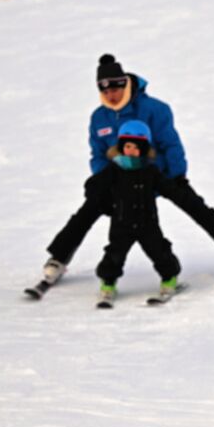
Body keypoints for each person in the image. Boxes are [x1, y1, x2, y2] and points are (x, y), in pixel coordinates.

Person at [39, 54, 214, 286]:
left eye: (116, 90)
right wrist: (103, 183)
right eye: (105, 91)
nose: (111, 96)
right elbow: (98, 154)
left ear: (125, 84)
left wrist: (178, 176)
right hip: (121, 180)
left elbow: (170, 144)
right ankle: (59, 258)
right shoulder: (99, 118)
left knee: (195, 206)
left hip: (157, 175)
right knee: (86, 212)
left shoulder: (154, 109)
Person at [89, 121, 186, 304]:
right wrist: (102, 202)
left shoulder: (151, 170)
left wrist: (179, 192)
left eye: (136, 147)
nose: (131, 150)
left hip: (147, 223)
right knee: (114, 255)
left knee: (159, 251)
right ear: (121, 147)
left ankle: (169, 277)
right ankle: (108, 283)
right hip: (121, 223)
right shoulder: (114, 169)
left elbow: (168, 187)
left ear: (144, 149)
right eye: (127, 146)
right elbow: (94, 185)